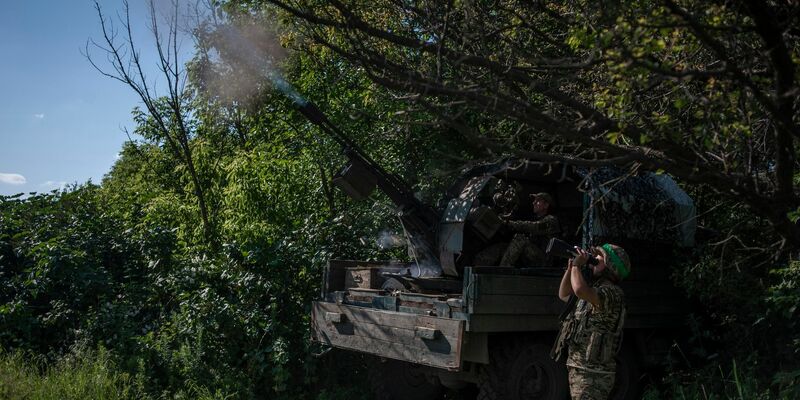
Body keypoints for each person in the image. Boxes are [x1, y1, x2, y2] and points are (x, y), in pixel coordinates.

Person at [552, 243, 631, 400]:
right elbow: (565, 294)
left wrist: (577, 266)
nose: (593, 259)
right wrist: (571, 268)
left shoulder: (612, 293)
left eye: (598, 258)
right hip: (582, 370)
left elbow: (579, 290)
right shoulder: (595, 290)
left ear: (611, 266)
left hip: (594, 375)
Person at [498, 192, 560, 266]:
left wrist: (509, 223)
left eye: (538, 201)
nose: (534, 203)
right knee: (502, 247)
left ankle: (503, 270)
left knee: (520, 239)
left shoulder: (551, 221)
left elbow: (533, 227)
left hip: (544, 261)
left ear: (546, 205)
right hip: (533, 256)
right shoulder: (537, 219)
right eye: (534, 200)